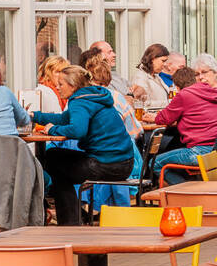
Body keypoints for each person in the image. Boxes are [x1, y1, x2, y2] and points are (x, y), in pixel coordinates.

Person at [28, 65, 136, 225]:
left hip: (108, 165)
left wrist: (52, 129)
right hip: (123, 163)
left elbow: (78, 130)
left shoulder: (79, 102)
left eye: (61, 84)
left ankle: (69, 222)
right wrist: (34, 116)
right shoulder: (92, 96)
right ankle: (71, 223)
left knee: (53, 164)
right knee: (54, 160)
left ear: (73, 85)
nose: (57, 87)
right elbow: (64, 118)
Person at [153, 66, 217, 182]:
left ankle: (187, 194)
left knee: (156, 163)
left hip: (199, 151)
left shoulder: (184, 95)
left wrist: (153, 117)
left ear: (177, 86)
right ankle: (189, 189)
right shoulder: (211, 92)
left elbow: (162, 119)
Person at [84, 51, 142, 137]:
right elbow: (137, 131)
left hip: (91, 147)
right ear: (108, 80)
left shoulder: (79, 98)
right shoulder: (117, 97)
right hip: (120, 147)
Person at [131, 43, 172, 109]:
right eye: (163, 61)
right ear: (153, 58)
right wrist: (168, 103)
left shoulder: (156, 76)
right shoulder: (140, 76)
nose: (165, 64)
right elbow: (141, 102)